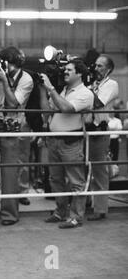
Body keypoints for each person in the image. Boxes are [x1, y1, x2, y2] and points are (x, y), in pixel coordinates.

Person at [40, 59, 94, 229]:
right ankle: (60, 212)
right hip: (54, 140)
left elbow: (67, 109)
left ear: (80, 73)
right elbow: (46, 112)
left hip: (71, 142)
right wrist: (42, 90)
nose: (65, 72)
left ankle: (76, 217)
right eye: (65, 69)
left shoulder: (85, 93)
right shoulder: (62, 90)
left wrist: (50, 88)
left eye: (69, 70)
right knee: (55, 179)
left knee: (76, 181)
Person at [0, 46, 34, 225]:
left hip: (14, 126)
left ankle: (9, 213)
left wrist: (4, 81)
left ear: (13, 63)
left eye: (3, 62)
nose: (0, 65)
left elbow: (14, 103)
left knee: (10, 170)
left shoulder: (26, 79)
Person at [86, 55, 119, 221]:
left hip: (99, 131)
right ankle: (84, 203)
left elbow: (98, 102)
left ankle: (100, 209)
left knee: (99, 171)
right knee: (83, 169)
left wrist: (86, 88)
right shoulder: (93, 83)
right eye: (95, 65)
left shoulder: (111, 84)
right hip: (84, 129)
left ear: (109, 69)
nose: (96, 69)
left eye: (100, 66)